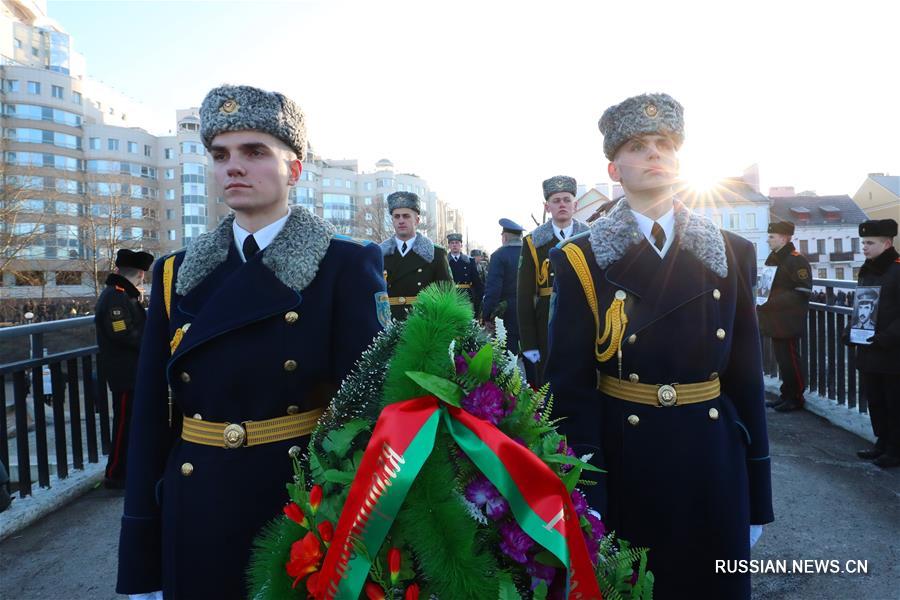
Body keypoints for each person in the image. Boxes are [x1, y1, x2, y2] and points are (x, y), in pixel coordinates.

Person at [116, 84, 387, 600]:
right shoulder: (177, 273)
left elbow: (370, 415)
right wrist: (142, 559)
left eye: (254, 151)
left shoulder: (344, 266)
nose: (232, 166)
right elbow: (151, 421)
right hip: (194, 507)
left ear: (295, 169)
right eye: (220, 155)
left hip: (295, 507)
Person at [546, 93, 773, 599]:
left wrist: (757, 496)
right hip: (627, 460)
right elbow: (571, 390)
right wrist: (587, 495)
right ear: (614, 166)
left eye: (665, 145)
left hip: (712, 461)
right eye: (638, 145)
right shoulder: (579, 259)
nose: (654, 155)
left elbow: (746, 376)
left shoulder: (731, 252)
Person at [518, 176, 589, 387]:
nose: (562, 205)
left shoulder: (590, 237)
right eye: (556, 200)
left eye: (567, 200)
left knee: (582, 382)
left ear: (575, 205)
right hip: (545, 325)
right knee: (548, 386)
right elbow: (524, 296)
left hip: (584, 322)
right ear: (547, 207)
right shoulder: (533, 242)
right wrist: (529, 343)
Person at [94, 248, 154, 489]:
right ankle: (116, 473)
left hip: (131, 371)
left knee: (129, 422)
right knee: (123, 424)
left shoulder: (120, 295)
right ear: (140, 274)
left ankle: (126, 469)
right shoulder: (117, 297)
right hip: (126, 372)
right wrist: (152, 343)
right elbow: (122, 333)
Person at [847, 219, 900, 468]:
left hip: (892, 351)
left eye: (870, 243)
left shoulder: (898, 270)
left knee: (894, 401)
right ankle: (882, 442)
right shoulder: (867, 269)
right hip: (868, 348)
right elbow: (861, 305)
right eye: (863, 242)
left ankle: (895, 449)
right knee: (876, 400)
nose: (864, 247)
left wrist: (885, 338)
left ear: (887, 243)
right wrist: (850, 330)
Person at [757, 221, 812, 412]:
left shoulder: (796, 260)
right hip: (776, 319)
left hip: (788, 319)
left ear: (784, 237)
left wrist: (772, 302)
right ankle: (786, 394)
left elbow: (802, 291)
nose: (768, 240)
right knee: (783, 360)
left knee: (790, 360)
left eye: (771, 236)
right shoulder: (774, 258)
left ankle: (796, 397)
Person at [380, 192, 452, 321]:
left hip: (422, 322)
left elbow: (446, 295)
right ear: (392, 221)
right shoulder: (379, 254)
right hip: (387, 322)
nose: (401, 220)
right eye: (396, 217)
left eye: (406, 216)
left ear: (417, 220)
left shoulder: (436, 254)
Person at [482, 218, 525, 354]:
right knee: (531, 354)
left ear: (505, 237)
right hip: (532, 308)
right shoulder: (531, 253)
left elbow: (493, 289)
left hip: (507, 312)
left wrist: (487, 315)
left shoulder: (499, 255)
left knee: (508, 355)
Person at [446, 232, 484, 316]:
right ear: (448, 245)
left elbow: (477, 282)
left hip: (466, 296)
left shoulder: (469, 261)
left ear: (461, 245)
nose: (454, 245)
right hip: (450, 296)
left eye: (457, 243)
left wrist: (479, 300)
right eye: (452, 243)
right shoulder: (444, 261)